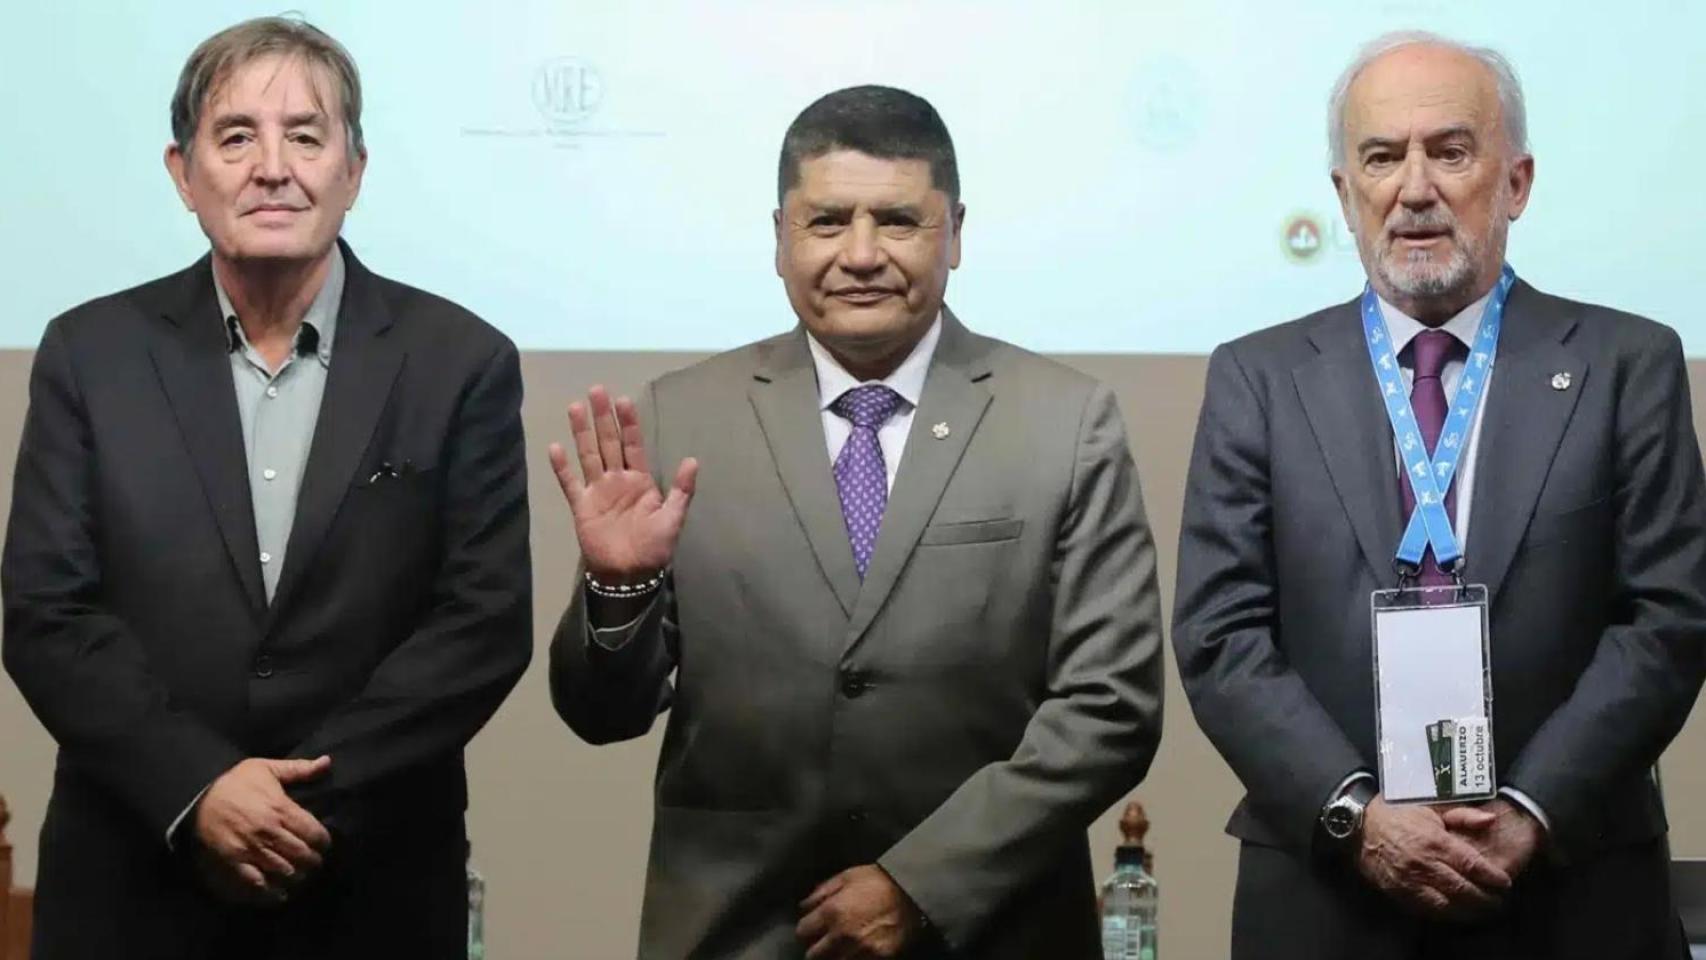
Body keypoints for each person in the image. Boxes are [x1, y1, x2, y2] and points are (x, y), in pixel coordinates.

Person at [548, 85, 1164, 959]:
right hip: (737, 932)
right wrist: (619, 590)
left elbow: (1112, 709)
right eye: (828, 221)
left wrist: (923, 884)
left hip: (991, 930)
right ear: (781, 237)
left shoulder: (1066, 423)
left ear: (955, 233)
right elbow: (600, 714)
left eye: (899, 222)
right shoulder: (680, 418)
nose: (862, 255)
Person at [1, 16, 531, 959]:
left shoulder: (461, 361)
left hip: (369, 886)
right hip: (133, 883)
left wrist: (296, 807)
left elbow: (481, 625)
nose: (273, 168)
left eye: (306, 137)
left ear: (354, 171)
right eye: (237, 136)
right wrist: (198, 788)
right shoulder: (90, 353)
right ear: (183, 172)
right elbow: (47, 613)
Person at [1173, 30, 1706, 959]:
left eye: (1451, 152)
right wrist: (1357, 817)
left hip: (1570, 896)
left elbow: (1668, 620)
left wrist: (1532, 810)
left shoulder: (1629, 364)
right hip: (1328, 897)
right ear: (1345, 193)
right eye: (1381, 157)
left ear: (1517, 183)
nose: (1414, 188)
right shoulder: (1257, 379)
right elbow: (1221, 636)